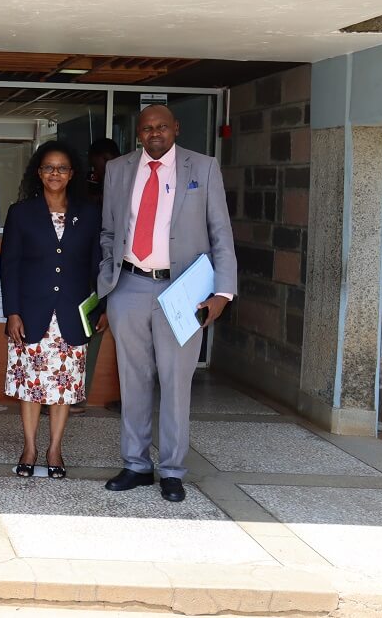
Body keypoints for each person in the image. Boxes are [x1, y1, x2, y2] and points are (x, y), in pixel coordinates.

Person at [99, 105, 236, 502]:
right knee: (133, 378)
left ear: (176, 128)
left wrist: (222, 293)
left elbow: (220, 234)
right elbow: (109, 230)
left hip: (183, 291)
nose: (154, 133)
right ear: (137, 134)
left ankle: (173, 470)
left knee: (177, 382)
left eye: (161, 127)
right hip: (129, 285)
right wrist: (109, 278)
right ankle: (136, 464)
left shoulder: (204, 167)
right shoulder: (119, 169)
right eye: (146, 128)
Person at [1, 141, 103, 479]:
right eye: (48, 168)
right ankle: (29, 447)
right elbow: (10, 265)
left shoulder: (89, 214)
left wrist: (99, 307)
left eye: (61, 168)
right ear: (39, 172)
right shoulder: (21, 212)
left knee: (63, 388)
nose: (54, 174)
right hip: (31, 313)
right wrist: (12, 312)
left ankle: (55, 449)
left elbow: (96, 266)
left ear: (72, 174)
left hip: (72, 315)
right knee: (31, 386)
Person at [77, 137, 122, 414]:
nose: (100, 169)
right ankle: (76, 395)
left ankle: (130, 398)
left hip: (116, 269)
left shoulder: (124, 185)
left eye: (103, 162)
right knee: (88, 330)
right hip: (92, 269)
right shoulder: (88, 188)